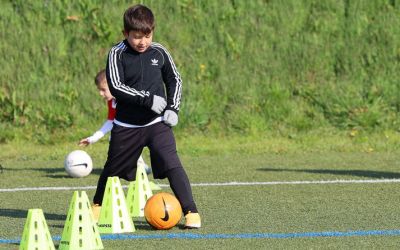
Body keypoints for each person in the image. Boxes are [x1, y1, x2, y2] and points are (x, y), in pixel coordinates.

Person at [92, 4, 201, 228]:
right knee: (112, 169)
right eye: (136, 37)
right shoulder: (117, 53)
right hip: (126, 125)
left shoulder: (159, 51)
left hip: (157, 123)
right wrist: (147, 98)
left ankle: (191, 212)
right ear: (126, 34)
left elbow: (175, 80)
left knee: (172, 163)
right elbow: (116, 86)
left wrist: (173, 108)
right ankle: (97, 206)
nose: (142, 42)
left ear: (153, 32)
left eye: (147, 35)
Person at [78, 69, 151, 174]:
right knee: (116, 135)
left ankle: (140, 165)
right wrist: (92, 139)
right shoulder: (112, 102)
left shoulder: (128, 98)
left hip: (146, 127)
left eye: (103, 90)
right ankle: (134, 165)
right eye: (99, 90)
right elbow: (110, 122)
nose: (100, 93)